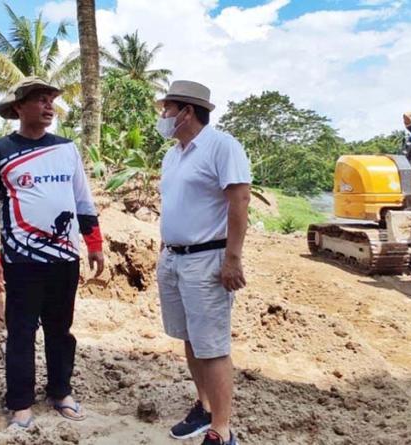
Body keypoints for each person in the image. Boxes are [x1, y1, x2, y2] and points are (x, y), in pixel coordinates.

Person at [0, 77, 105, 429]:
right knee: (21, 331)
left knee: (61, 330)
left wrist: (94, 243)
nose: (49, 106)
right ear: (19, 107)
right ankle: (19, 401)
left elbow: (82, 200)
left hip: (65, 259)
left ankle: (60, 391)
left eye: (51, 100)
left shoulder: (67, 149)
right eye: (40, 100)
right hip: (21, 260)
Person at [155, 80, 251, 445]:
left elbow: (239, 200)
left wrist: (233, 259)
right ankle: (204, 407)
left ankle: (222, 429)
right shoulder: (174, 154)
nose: (163, 117)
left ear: (187, 112)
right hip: (175, 258)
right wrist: (162, 252)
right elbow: (175, 206)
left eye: (167, 110)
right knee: (191, 339)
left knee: (212, 344)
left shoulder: (221, 146)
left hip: (207, 260)